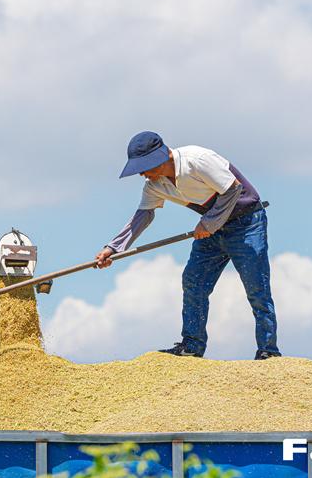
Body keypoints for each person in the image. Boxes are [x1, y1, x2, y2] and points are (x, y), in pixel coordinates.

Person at [95, 131, 281, 360]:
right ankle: (192, 346)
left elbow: (233, 189)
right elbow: (143, 216)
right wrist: (113, 248)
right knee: (193, 281)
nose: (142, 173)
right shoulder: (154, 185)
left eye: (144, 166)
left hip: (247, 223)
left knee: (256, 287)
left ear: (161, 158)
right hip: (212, 231)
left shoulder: (198, 159)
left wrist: (209, 222)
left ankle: (268, 350)